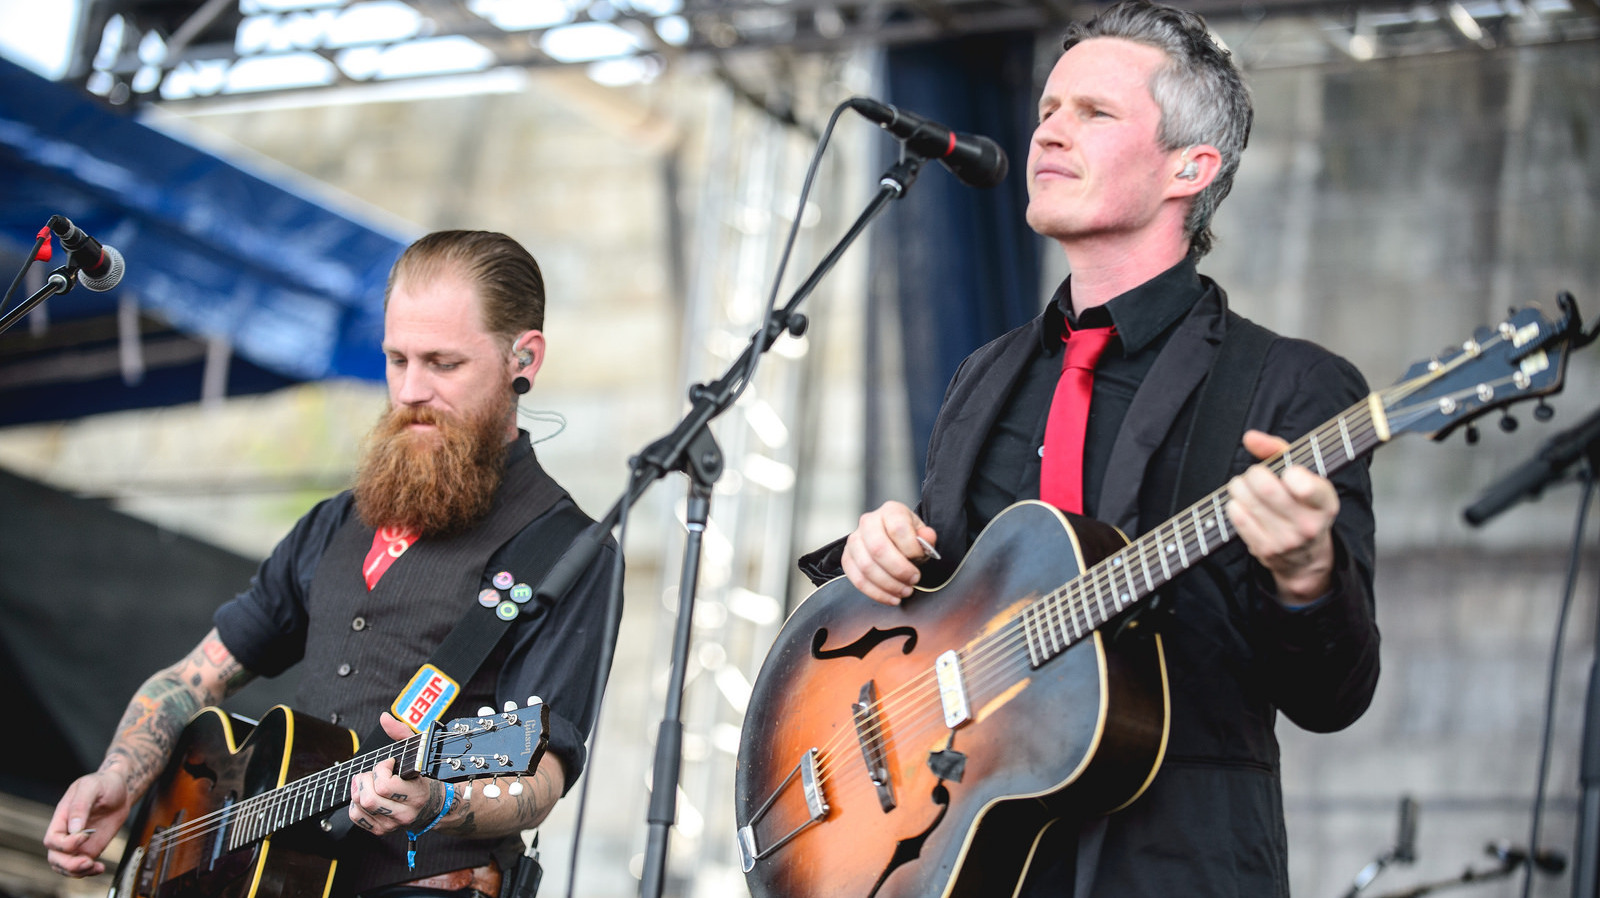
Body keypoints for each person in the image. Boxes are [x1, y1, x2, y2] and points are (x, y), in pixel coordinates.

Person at [798, 2, 1379, 894]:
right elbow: (944, 609)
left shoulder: (1289, 386)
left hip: (1173, 866)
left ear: (1191, 166)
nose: (1049, 132)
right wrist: (877, 555)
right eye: (1047, 110)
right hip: (969, 860)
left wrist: (1307, 576)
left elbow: (1333, 698)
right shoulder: (985, 376)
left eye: (1094, 113)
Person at [42, 230, 619, 898]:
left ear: (524, 357)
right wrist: (120, 775)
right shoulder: (335, 522)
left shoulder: (566, 551)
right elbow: (192, 679)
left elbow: (539, 774)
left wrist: (438, 800)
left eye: (443, 363)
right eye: (397, 359)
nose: (411, 390)